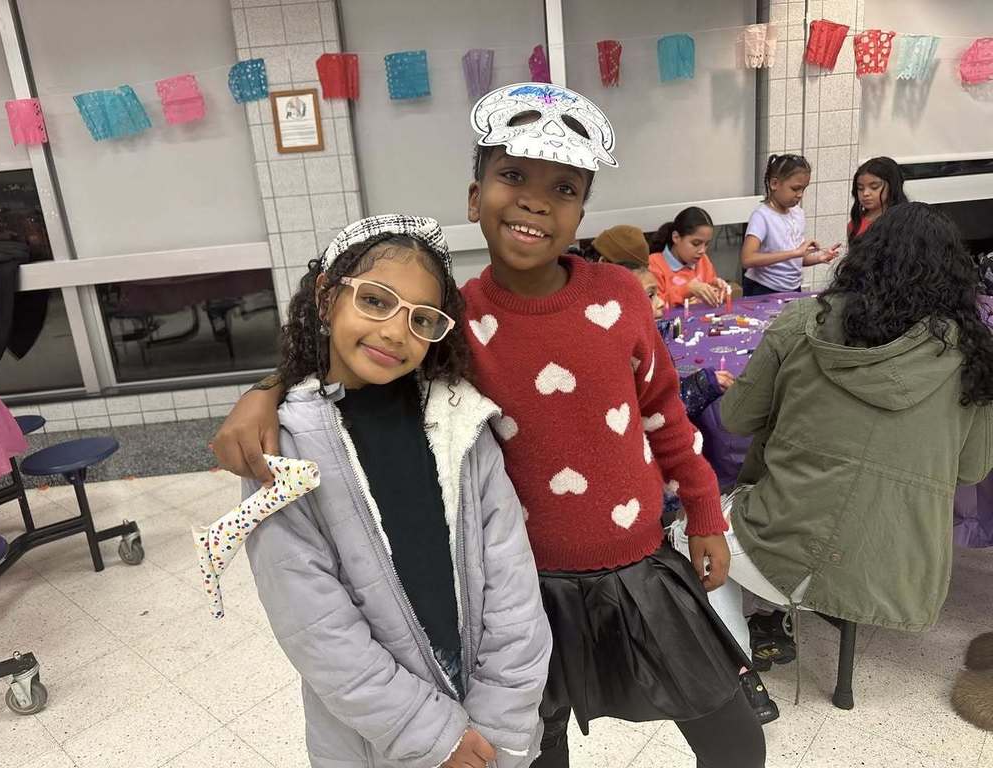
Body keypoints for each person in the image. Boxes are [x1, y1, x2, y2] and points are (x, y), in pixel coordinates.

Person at [214, 83, 769, 767]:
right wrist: (267, 390)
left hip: (639, 566)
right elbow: (362, 361)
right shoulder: (451, 325)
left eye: (564, 188)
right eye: (512, 176)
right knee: (536, 752)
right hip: (523, 595)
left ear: (582, 211)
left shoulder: (621, 296)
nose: (536, 201)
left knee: (735, 740)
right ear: (476, 198)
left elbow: (664, 412)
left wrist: (706, 511)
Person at [243, 214, 552, 768]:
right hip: (373, 736)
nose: (394, 332)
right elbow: (313, 623)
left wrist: (499, 725)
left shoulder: (461, 422)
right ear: (326, 296)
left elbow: (514, 584)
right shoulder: (282, 445)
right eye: (375, 301)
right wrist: (432, 736)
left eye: (421, 318)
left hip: (486, 717)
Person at [675, 203, 993, 671]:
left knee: (689, 530)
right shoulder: (974, 357)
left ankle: (737, 670)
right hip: (896, 571)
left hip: (779, 547)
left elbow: (736, 419)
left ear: (864, 258)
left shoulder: (802, 322)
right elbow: (972, 469)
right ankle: (765, 628)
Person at [740, 154, 839, 296]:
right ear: (774, 184)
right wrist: (794, 253)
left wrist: (819, 257)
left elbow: (795, 260)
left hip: (793, 288)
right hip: (763, 288)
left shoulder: (798, 213)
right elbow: (747, 259)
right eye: (795, 189)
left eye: (803, 189)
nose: (800, 195)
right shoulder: (762, 216)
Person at [648, 207, 729, 308]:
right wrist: (687, 290)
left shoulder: (703, 260)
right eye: (696, 243)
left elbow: (711, 300)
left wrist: (718, 292)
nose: (702, 250)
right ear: (676, 237)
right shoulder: (654, 264)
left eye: (707, 244)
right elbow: (653, 307)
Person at [848, 156, 907, 240]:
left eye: (874, 187)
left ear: (892, 186)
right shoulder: (855, 224)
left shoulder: (905, 222)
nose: (865, 193)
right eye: (860, 188)